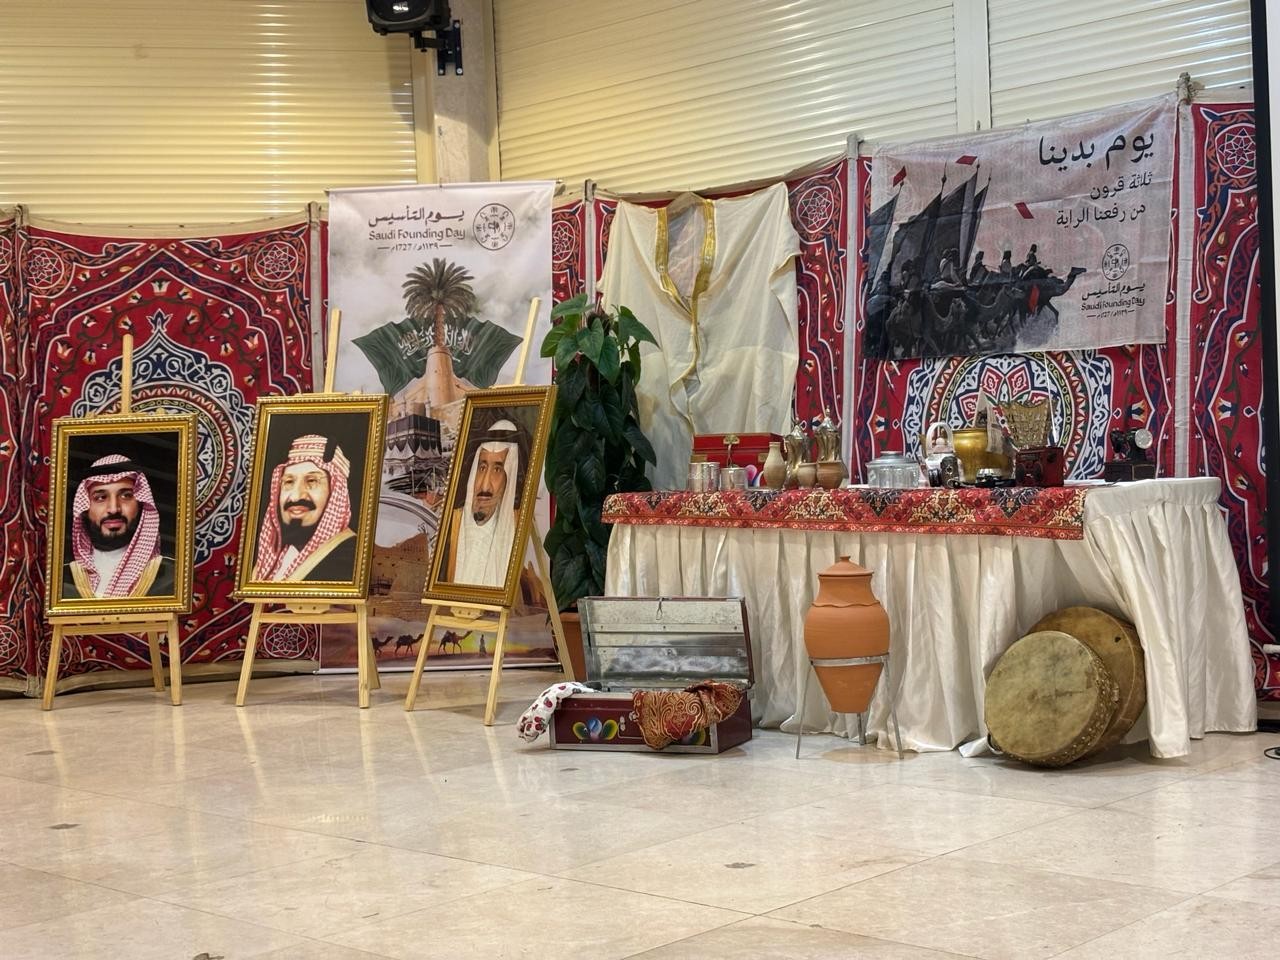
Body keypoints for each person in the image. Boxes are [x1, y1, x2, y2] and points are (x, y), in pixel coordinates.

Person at [63, 454, 175, 599]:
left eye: (126, 496)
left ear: (141, 504)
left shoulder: (172, 576)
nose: (114, 509)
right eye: (100, 498)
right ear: (85, 509)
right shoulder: (61, 581)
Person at [253, 434, 357, 582]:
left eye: (312, 481)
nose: (296, 496)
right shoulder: (269, 561)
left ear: (335, 491)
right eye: (289, 482)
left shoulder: (348, 557)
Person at [444, 420, 521, 587]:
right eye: (482, 468)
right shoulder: (454, 523)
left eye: (497, 470)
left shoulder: (518, 528)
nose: (485, 486)